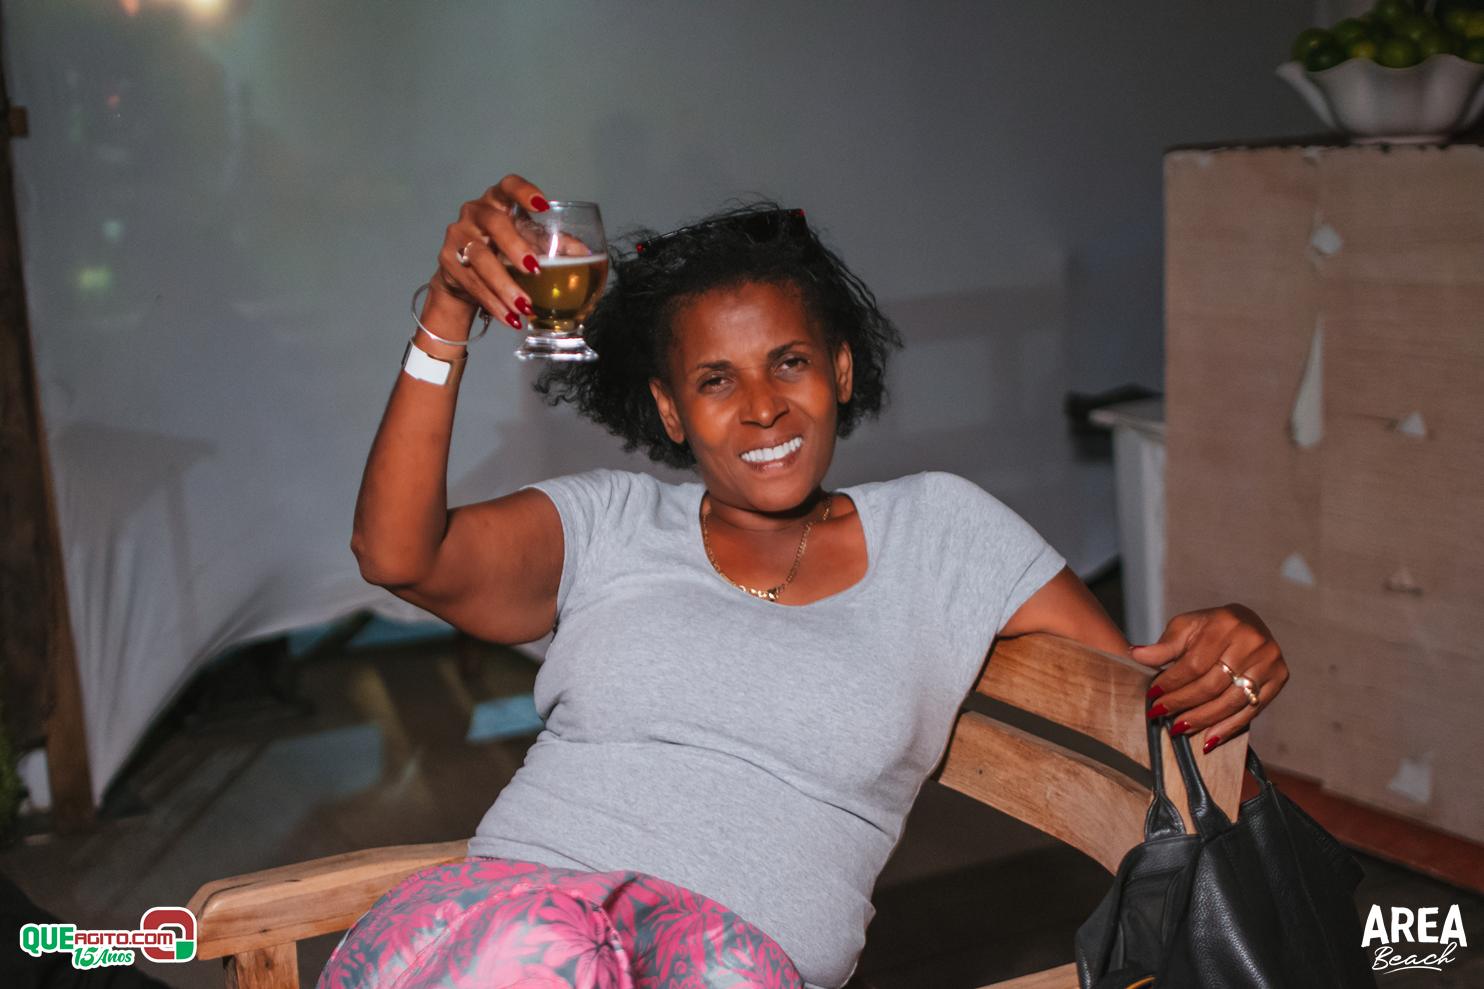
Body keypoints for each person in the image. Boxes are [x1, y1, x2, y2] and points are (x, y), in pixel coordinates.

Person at [329, 176, 1291, 989]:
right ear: (670, 409)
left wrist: (1232, 640)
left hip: (730, 964)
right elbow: (398, 554)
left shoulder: (942, 531)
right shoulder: (610, 522)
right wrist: (447, 312)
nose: (761, 407)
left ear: (839, 370)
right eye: (716, 380)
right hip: (515, 927)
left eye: (788, 363)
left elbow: (1137, 704)